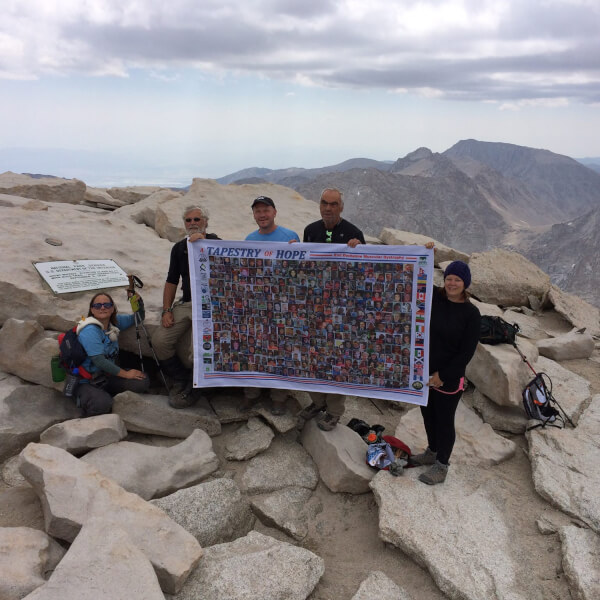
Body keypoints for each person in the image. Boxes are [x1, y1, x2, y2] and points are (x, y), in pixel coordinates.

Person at [409, 260, 481, 485]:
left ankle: (442, 465)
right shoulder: (434, 298)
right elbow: (414, 278)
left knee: (444, 419)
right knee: (427, 414)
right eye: (449, 278)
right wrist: (426, 253)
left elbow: (466, 353)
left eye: (457, 279)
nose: (452, 283)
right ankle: (431, 450)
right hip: (424, 370)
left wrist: (443, 375)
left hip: (448, 377)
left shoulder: (471, 314)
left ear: (465, 284)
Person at [299, 188, 366, 431]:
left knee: (337, 360)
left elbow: (364, 270)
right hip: (315, 306)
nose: (328, 208)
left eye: (334, 204)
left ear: (341, 207)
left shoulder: (353, 232)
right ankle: (317, 402)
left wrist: (358, 249)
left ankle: (335, 411)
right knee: (312, 356)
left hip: (341, 309)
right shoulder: (310, 230)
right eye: (324, 203)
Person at [152, 205, 221, 408]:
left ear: (206, 222)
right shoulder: (179, 248)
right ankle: (182, 378)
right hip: (188, 303)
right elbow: (172, 280)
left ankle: (196, 388)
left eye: (197, 219)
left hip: (211, 305)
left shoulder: (217, 243)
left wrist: (204, 244)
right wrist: (166, 310)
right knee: (160, 341)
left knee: (197, 351)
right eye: (188, 220)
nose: (192, 224)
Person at [244, 196, 300, 414]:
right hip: (258, 304)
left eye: (265, 210)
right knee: (255, 349)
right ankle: (251, 394)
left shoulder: (290, 236)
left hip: (283, 304)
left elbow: (300, 269)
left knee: (282, 351)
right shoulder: (249, 239)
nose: (262, 215)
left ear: (274, 212)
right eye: (257, 211)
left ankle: (278, 397)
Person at [76, 291, 149, 416]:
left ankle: (105, 395)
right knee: (102, 404)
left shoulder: (114, 323)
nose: (103, 307)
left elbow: (138, 318)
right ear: (92, 310)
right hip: (87, 381)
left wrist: (139, 303)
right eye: (98, 305)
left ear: (112, 309)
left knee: (142, 381)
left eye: (107, 305)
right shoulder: (89, 330)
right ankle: (85, 400)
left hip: (108, 376)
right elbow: (99, 361)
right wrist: (126, 374)